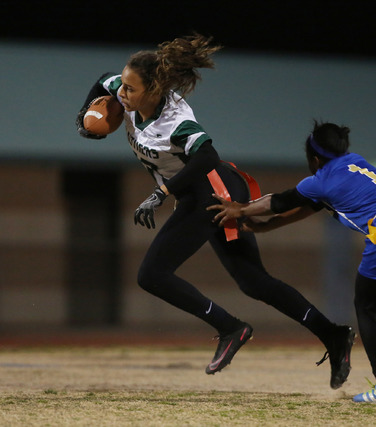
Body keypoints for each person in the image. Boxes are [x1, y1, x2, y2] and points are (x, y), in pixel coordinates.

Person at [74, 34, 355, 389]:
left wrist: (161, 192)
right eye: (123, 88)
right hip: (201, 189)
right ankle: (333, 335)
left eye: (130, 89)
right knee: (253, 280)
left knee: (152, 275)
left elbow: (206, 156)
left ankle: (230, 327)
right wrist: (85, 116)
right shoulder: (126, 94)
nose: (121, 94)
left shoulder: (176, 122)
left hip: (213, 189)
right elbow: (104, 79)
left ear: (154, 89)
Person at [208, 120, 376, 403]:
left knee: (367, 306)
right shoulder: (356, 163)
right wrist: (265, 227)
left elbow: (280, 201)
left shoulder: (321, 179)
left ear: (314, 159)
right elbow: (311, 205)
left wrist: (239, 209)